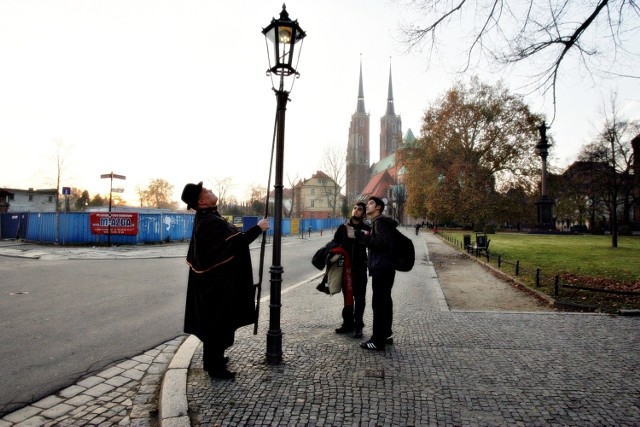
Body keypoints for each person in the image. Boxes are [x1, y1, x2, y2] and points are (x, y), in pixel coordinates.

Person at [181, 182, 269, 379]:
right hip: (216, 286)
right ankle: (216, 368)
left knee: (216, 322)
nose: (211, 190)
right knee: (217, 323)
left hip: (216, 284)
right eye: (206, 191)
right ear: (202, 201)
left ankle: (212, 360)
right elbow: (236, 242)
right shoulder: (210, 221)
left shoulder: (208, 217)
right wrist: (258, 228)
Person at [354, 196, 398, 351]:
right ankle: (385, 334)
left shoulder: (379, 223)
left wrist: (363, 237)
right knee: (385, 303)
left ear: (378, 207)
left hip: (381, 268)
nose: (368, 205)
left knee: (378, 305)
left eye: (371, 203)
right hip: (386, 268)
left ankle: (377, 340)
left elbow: (381, 243)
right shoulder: (382, 223)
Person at [331, 202, 370, 338]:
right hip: (346, 269)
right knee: (347, 297)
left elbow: (372, 247)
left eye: (359, 209)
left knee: (360, 299)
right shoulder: (343, 228)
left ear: (364, 213)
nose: (356, 211)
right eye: (354, 208)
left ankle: (358, 326)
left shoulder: (367, 229)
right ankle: (347, 324)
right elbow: (334, 242)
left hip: (360, 269)